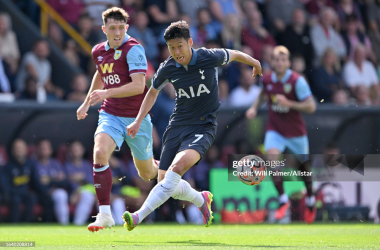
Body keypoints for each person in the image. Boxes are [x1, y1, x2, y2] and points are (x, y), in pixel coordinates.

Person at [123, 20, 262, 231]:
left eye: (180, 45)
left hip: (203, 127)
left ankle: (137, 217)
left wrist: (255, 63)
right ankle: (200, 199)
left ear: (190, 42)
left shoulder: (208, 56)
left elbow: (234, 53)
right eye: (171, 47)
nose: (176, 51)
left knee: (175, 169)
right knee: (165, 183)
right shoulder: (168, 67)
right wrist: (138, 120)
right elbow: (152, 92)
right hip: (177, 125)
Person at [76, 7, 159, 232]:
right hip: (111, 113)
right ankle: (104, 215)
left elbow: (139, 86)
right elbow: (101, 73)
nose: (117, 32)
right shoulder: (98, 51)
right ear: (104, 29)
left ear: (127, 28)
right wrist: (87, 102)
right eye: (112, 28)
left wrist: (106, 92)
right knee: (100, 153)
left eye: (121, 28)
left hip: (136, 118)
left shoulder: (133, 49)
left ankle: (178, 182)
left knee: (148, 173)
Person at [245, 46, 317, 224]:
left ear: (289, 62)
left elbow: (311, 106)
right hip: (275, 129)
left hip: (296, 132)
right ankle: (283, 199)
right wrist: (254, 108)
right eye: (276, 59)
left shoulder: (296, 81)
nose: (279, 63)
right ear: (273, 62)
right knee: (271, 160)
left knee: (304, 170)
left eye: (283, 59)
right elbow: (263, 94)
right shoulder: (268, 79)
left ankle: (310, 199)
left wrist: (290, 103)